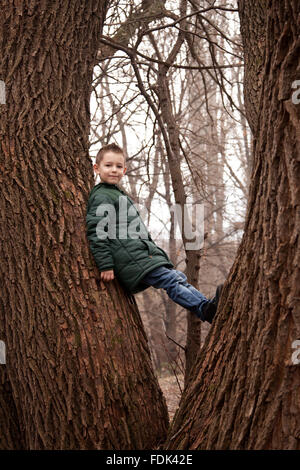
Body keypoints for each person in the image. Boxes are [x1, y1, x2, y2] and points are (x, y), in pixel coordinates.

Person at [86, 143, 223, 324]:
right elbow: (97, 231)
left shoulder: (116, 193)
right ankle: (205, 310)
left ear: (124, 170)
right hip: (130, 259)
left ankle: (206, 306)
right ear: (97, 168)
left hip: (141, 254)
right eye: (108, 165)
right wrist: (105, 264)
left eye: (118, 166)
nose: (114, 170)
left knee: (177, 278)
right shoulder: (102, 195)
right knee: (171, 281)